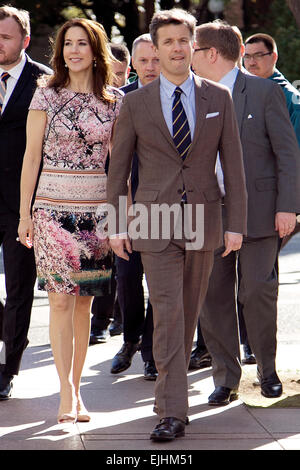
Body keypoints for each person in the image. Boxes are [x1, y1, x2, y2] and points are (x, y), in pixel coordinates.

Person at [107, 8, 247, 442]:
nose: (176, 48)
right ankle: (173, 411)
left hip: (204, 221)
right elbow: (119, 169)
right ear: (156, 47)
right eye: (167, 42)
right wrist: (116, 223)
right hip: (154, 221)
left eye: (183, 40)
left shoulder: (217, 98)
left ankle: (167, 397)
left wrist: (235, 224)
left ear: (193, 46)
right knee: (167, 314)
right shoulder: (135, 102)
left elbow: (235, 168)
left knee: (186, 318)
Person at [18, 18, 123, 424]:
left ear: (96, 50)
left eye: (82, 43)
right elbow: (30, 158)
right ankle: (66, 393)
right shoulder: (44, 96)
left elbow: (119, 166)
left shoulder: (115, 101)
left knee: (83, 305)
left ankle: (78, 389)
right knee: (60, 299)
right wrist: (25, 213)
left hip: (96, 212)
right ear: (60, 52)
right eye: (67, 45)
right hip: (50, 209)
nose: (73, 51)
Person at [191, 20, 300, 406]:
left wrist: (289, 206)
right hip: (207, 216)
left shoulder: (263, 92)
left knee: (256, 292)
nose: (186, 56)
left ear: (210, 54)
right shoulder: (189, 95)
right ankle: (226, 378)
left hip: (260, 214)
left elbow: (288, 153)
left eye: (192, 49)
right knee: (214, 297)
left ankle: (267, 371)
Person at [0, 5, 51, 401]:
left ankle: (8, 367)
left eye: (5, 37)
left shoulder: (45, 82)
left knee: (20, 289)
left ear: (25, 40)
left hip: (23, 205)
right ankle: (7, 329)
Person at [110, 33, 160, 381]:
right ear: (132, 66)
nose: (150, 67)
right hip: (125, 205)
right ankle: (130, 339)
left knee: (161, 282)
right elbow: (114, 164)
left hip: (166, 208)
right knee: (127, 278)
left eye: (155, 60)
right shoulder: (119, 102)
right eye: (143, 61)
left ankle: (152, 350)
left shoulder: (175, 97)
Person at [89, 42, 131, 345]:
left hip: (121, 188)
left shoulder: (126, 100)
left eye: (118, 74)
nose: (112, 79)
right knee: (99, 257)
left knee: (118, 260)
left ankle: (115, 318)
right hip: (92, 189)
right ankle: (100, 321)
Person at [244, 32, 300, 248]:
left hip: (276, 199)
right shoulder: (246, 91)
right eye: (247, 56)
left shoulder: (290, 98)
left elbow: (292, 155)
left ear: (274, 57)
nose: (251, 62)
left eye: (258, 55)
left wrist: (287, 204)